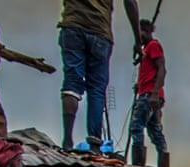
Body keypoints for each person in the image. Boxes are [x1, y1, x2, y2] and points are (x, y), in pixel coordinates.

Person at [58, 0, 141, 151]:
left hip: (73, 25)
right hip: (100, 32)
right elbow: (130, 2)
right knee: (96, 90)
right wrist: (138, 40)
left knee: (72, 83)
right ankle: (95, 144)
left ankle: (67, 141)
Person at [129, 18, 169, 167]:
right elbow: (151, 72)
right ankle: (163, 163)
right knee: (154, 131)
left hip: (149, 95)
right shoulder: (146, 50)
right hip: (149, 93)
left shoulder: (153, 46)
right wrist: (139, 85)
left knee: (136, 126)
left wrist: (154, 93)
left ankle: (138, 165)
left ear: (145, 31)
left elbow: (162, 69)